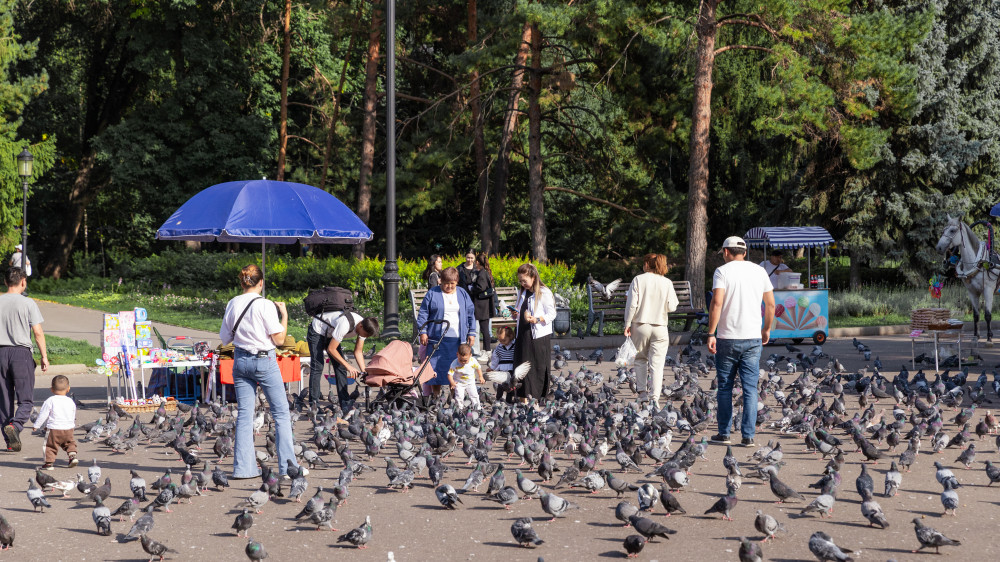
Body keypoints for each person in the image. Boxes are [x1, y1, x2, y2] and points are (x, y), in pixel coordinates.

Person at [219, 264, 301, 479]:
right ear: (261, 283)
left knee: (245, 414)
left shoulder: (232, 303)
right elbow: (280, 340)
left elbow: (225, 338)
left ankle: (244, 469)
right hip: (264, 361)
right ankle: (287, 467)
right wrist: (284, 315)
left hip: (240, 361)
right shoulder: (265, 305)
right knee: (281, 413)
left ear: (241, 282)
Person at [707, 237, 775, 447]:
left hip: (728, 337)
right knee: (750, 389)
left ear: (726, 252)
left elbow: (717, 302)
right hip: (753, 337)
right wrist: (766, 329)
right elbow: (771, 304)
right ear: (744, 252)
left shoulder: (722, 271)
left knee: (726, 387)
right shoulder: (760, 271)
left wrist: (711, 333)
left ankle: (724, 433)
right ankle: (748, 436)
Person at [0, 266, 47, 452]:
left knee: (4, 401)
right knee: (25, 399)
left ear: (5, 282)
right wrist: (44, 356)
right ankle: (17, 425)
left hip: (0, 353)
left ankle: (10, 442)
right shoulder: (28, 303)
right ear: (23, 282)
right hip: (21, 354)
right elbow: (37, 332)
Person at [623, 253, 679, 405]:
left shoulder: (638, 280)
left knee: (640, 359)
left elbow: (632, 305)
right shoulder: (667, 282)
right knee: (657, 364)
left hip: (640, 325)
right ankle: (655, 398)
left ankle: (642, 393)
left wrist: (627, 323)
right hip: (660, 326)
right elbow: (672, 306)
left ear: (647, 264)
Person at [417, 267, 476, 398]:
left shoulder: (462, 293)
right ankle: (436, 395)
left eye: (452, 283)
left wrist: (471, 332)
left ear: (457, 282)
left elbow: (471, 313)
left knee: (455, 370)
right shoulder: (433, 293)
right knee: (435, 369)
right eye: (445, 283)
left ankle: (454, 395)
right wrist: (423, 331)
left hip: (457, 339)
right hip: (436, 339)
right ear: (440, 281)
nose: (449, 286)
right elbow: (423, 313)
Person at [306, 307, 380, 411]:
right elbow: (331, 349)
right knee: (318, 366)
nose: (366, 337)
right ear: (360, 326)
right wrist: (349, 366)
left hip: (331, 332)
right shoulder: (345, 324)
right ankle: (314, 405)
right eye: (366, 335)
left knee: (340, 367)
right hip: (317, 330)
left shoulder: (364, 327)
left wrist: (364, 371)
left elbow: (358, 351)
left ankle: (344, 402)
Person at [511, 263, 556, 401]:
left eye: (525, 280)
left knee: (536, 367)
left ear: (533, 277)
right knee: (521, 365)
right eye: (520, 280)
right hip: (522, 334)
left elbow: (552, 313)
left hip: (537, 336)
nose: (522, 283)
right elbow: (520, 311)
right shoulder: (522, 292)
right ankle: (523, 396)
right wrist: (514, 314)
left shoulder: (544, 292)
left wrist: (538, 319)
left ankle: (536, 396)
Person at [34, 374, 77, 470]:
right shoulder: (70, 401)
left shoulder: (50, 400)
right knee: (69, 443)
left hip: (54, 428)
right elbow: (73, 413)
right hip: (68, 428)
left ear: (51, 389)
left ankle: (49, 464)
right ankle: (72, 454)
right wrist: (71, 423)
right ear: (68, 389)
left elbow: (43, 414)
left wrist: (37, 425)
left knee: (50, 446)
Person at [470, 252, 495, 354]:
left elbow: (481, 287)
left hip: (482, 305)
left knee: (484, 329)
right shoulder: (485, 272)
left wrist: (472, 288)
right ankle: (486, 349)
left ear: (478, 262)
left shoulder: (482, 273)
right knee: (484, 328)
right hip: (484, 305)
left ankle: (487, 350)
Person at [447, 343, 484, 410]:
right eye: (461, 360)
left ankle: (477, 408)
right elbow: (449, 374)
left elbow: (478, 368)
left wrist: (481, 376)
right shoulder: (454, 363)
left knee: (474, 395)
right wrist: (452, 382)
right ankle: (459, 408)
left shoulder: (473, 361)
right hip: (459, 383)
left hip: (470, 382)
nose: (463, 362)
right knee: (459, 396)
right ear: (457, 355)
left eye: (465, 360)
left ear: (470, 355)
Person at [487, 326, 516, 402]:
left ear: (510, 337)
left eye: (504, 340)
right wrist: (492, 367)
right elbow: (495, 358)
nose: (502, 342)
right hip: (502, 368)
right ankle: (498, 399)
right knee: (500, 385)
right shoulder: (499, 347)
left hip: (511, 368)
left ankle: (509, 399)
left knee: (510, 385)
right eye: (500, 340)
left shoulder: (515, 345)